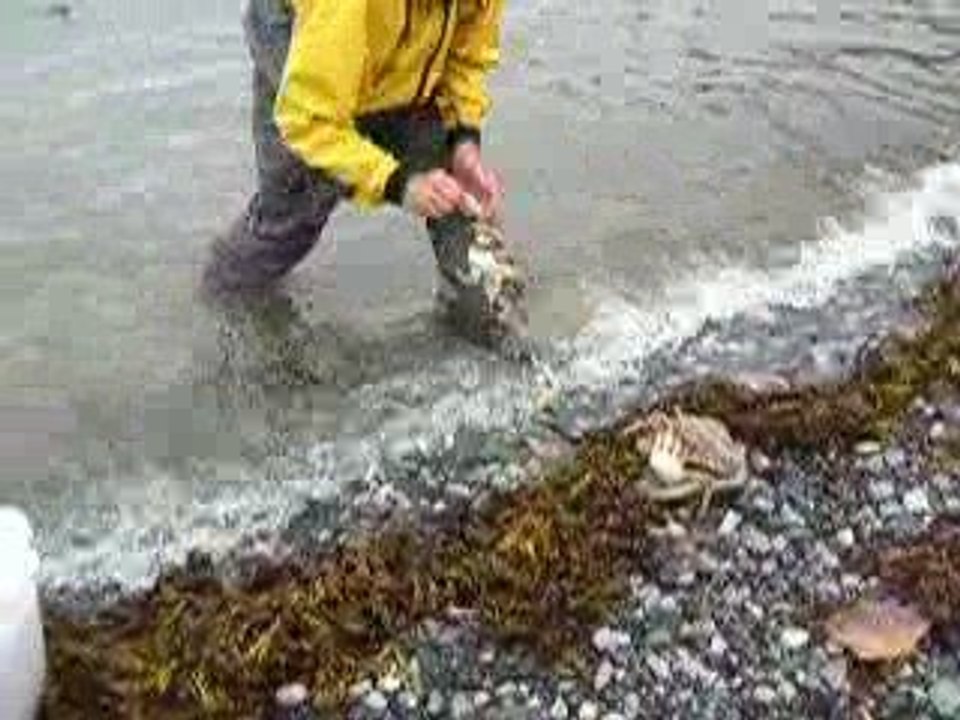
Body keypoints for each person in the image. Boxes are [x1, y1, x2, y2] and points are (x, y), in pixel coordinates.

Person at [202, 0, 507, 299]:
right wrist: (398, 184)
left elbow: (469, 52)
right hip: (301, 35)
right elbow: (309, 121)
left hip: (402, 39)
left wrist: (464, 138)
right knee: (294, 213)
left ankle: (482, 308)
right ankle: (225, 298)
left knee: (458, 192)